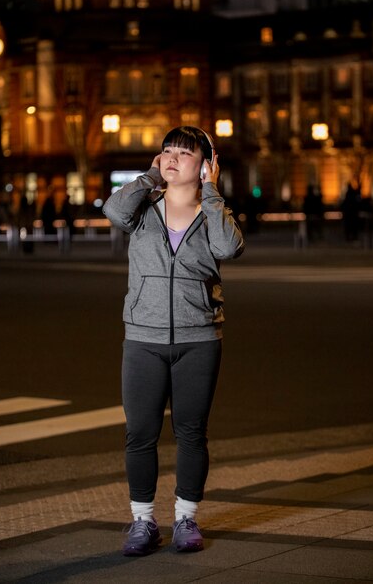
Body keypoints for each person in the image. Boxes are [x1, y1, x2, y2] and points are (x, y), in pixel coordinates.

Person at [103, 126, 244, 557]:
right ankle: (143, 522)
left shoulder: (213, 211)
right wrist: (149, 177)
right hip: (142, 338)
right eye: (167, 150)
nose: (172, 157)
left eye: (185, 152)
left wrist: (212, 191)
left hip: (198, 338)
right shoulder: (144, 208)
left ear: (205, 164)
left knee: (191, 432)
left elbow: (229, 247)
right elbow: (113, 210)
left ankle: (186, 517)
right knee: (140, 433)